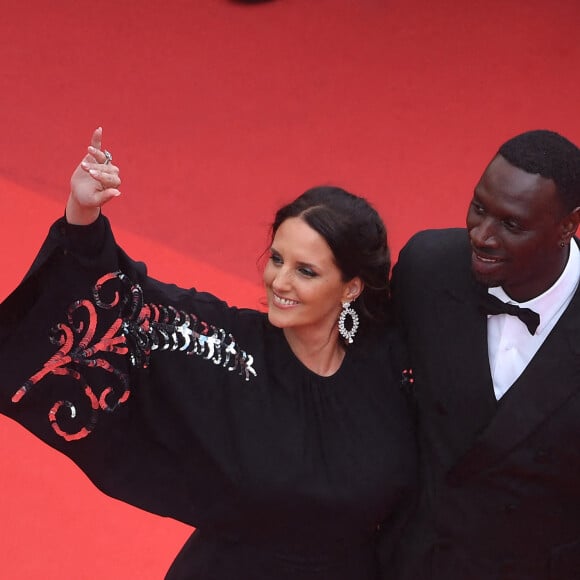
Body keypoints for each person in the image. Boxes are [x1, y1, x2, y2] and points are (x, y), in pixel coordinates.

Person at [0, 128, 416, 580]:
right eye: (276, 259)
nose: (279, 282)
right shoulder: (223, 345)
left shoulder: (394, 367)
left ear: (351, 287)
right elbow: (124, 301)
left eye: (306, 271)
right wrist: (83, 215)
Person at [383, 129, 580, 579]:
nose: (482, 236)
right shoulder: (428, 268)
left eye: (511, 224)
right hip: (415, 563)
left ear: (568, 226)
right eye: (478, 208)